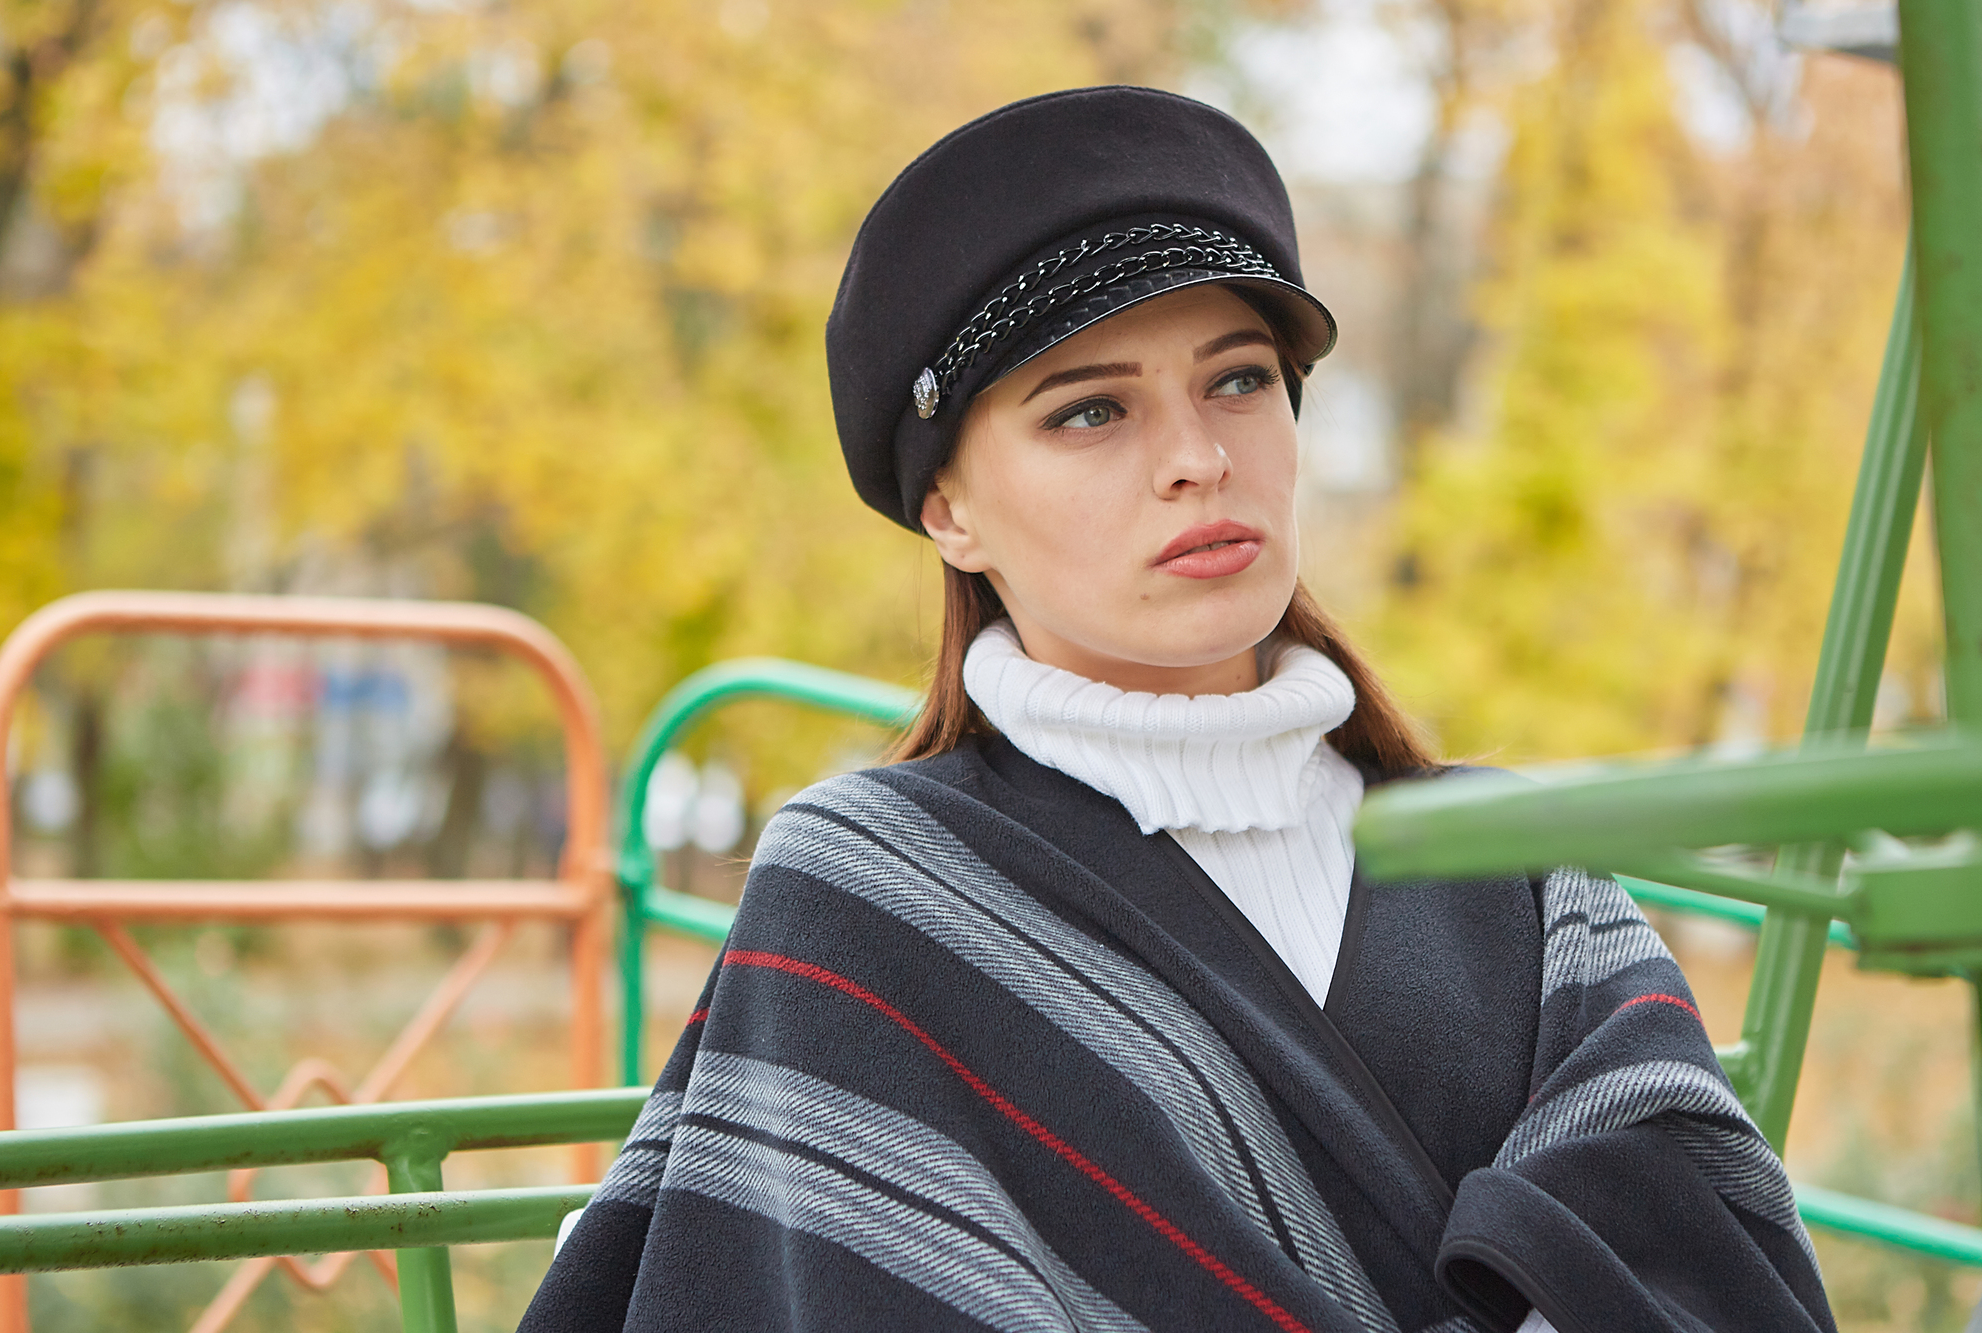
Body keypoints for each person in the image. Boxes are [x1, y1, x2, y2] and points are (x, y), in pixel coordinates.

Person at [521, 87, 1835, 1332]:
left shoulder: (1523, 863)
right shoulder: (865, 896)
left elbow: (1711, 1249)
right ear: (950, 510)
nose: (1199, 458)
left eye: (1240, 379)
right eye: (1091, 410)